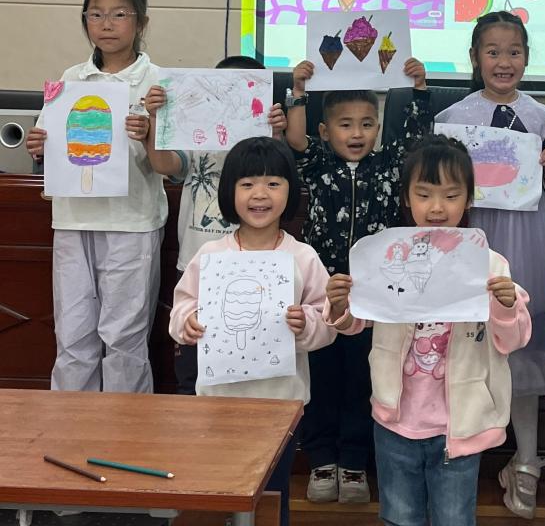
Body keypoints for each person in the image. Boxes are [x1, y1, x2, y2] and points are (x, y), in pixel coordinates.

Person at [324, 134, 532, 526]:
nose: (437, 207)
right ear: (406, 197)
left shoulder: (491, 265)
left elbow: (513, 340)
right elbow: (356, 323)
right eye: (424, 194)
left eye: (451, 195)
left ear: (469, 199)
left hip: (460, 424)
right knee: (399, 515)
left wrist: (505, 306)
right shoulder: (388, 257)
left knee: (454, 517)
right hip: (395, 419)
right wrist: (339, 305)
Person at [25, 0, 184, 393]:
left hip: (131, 221)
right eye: (95, 15)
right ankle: (70, 425)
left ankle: (125, 427)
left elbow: (171, 164)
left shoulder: (159, 83)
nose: (106, 24)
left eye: (119, 14)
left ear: (142, 22)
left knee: (124, 338)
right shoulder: (69, 79)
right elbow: (51, 146)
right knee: (73, 334)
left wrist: (149, 131)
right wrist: (39, 145)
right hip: (74, 219)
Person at [285, 55, 432, 504]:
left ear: (378, 129)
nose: (356, 133)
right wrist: (299, 92)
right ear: (326, 131)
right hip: (322, 290)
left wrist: (419, 89)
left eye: (367, 124)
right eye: (345, 125)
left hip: (374, 292)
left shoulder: (388, 165)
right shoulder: (318, 165)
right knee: (321, 376)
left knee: (362, 378)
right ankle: (321, 459)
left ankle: (353, 462)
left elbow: (415, 138)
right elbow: (295, 138)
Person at [433, 11, 545, 518]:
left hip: (528, 234)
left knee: (521, 342)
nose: (504, 61)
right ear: (474, 58)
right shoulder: (454, 116)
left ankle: (527, 460)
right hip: (475, 231)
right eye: (493, 52)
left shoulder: (541, 116)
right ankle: (459, 451)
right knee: (468, 341)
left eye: (514, 52)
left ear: (526, 57)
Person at [170, 135, 334, 526]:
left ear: (290, 191)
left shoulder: (302, 256)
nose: (260, 194)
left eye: (273, 183)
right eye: (247, 184)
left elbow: (326, 320)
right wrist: (188, 323)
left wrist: (306, 324)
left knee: (271, 496)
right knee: (216, 491)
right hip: (218, 402)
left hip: (281, 405)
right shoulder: (211, 255)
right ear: (230, 191)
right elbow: (181, 307)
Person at [143, 54, 287, 395]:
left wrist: (276, 132)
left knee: (249, 360)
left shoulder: (265, 148)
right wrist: (156, 118)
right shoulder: (196, 139)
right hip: (199, 265)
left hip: (256, 269)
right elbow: (164, 163)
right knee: (193, 363)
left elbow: (281, 178)